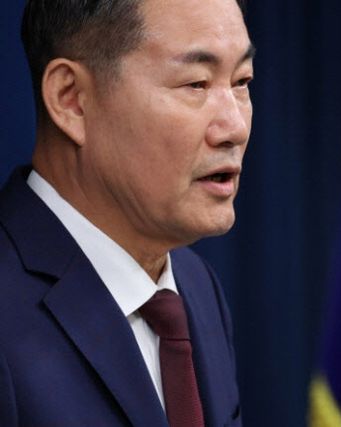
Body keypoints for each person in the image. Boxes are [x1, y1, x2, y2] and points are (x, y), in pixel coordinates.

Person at [0, 0, 254, 425]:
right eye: (196, 84)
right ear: (71, 99)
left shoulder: (195, 285)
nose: (235, 127)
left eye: (242, 81)